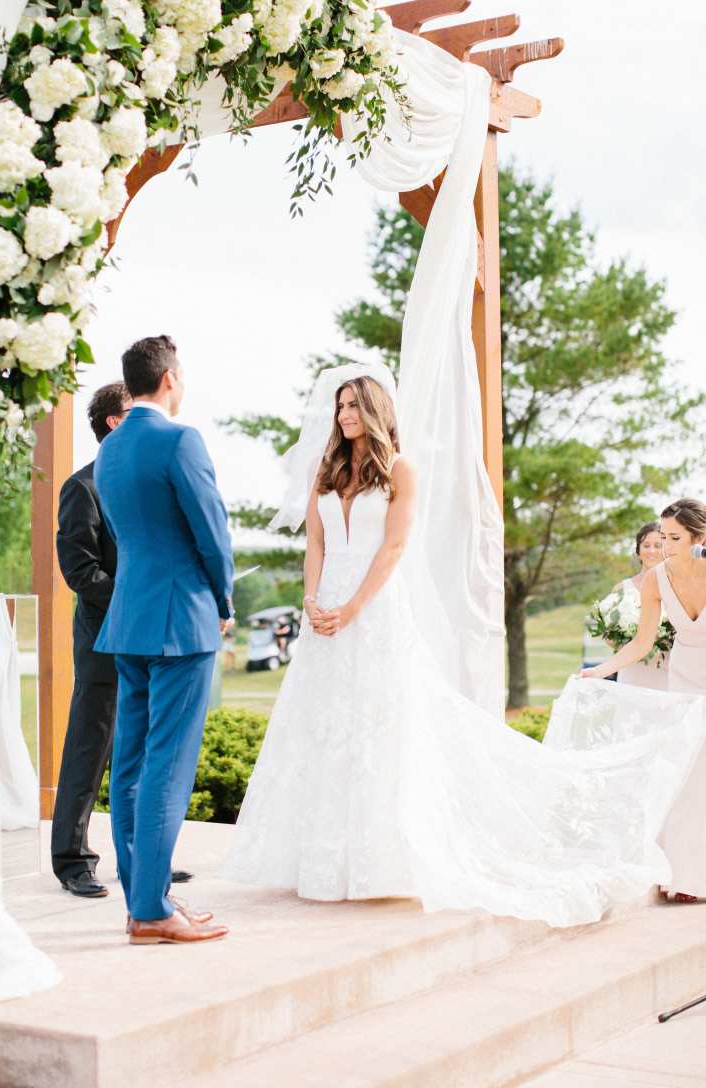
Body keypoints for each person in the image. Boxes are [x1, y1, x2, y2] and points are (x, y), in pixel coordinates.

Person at [221, 367, 706, 928]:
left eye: (354, 405)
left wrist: (352, 608)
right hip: (324, 609)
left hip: (373, 607)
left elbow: (395, 546)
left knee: (379, 725)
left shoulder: (400, 469)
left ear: (376, 410)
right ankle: (320, 862)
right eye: (340, 406)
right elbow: (316, 543)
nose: (345, 415)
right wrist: (312, 601)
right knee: (323, 724)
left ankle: (376, 865)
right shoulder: (324, 469)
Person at [94, 336, 232, 944]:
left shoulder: (110, 448)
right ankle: (151, 908)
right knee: (168, 768)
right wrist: (223, 600)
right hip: (181, 622)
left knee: (129, 765)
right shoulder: (181, 440)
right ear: (170, 378)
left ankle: (144, 900)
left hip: (130, 620)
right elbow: (212, 533)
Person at [53, 381, 196, 897]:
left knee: (141, 755)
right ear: (115, 421)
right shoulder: (82, 487)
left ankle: (142, 862)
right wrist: (134, 600)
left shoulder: (146, 484)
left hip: (153, 639)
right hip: (103, 641)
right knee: (89, 752)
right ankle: (72, 862)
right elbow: (80, 570)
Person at [583, 498, 706, 902]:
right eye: (663, 537)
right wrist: (600, 670)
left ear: (699, 539)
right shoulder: (657, 580)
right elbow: (641, 642)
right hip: (685, 680)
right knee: (687, 776)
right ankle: (687, 877)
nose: (665, 546)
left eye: (674, 538)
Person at [612, 522, 668, 689]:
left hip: (667, 667)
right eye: (646, 545)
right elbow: (608, 634)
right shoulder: (622, 588)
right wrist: (624, 640)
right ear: (638, 550)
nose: (652, 551)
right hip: (632, 669)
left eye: (658, 545)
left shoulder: (677, 587)